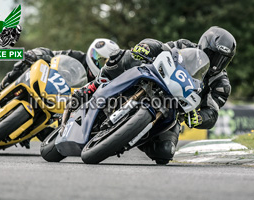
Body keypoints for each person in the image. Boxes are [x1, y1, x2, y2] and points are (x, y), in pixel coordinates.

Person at [72, 26, 236, 164]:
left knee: (164, 153)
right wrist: (146, 47)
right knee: (126, 57)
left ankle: (131, 135)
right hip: (151, 81)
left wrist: (200, 118)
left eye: (223, 59)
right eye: (214, 54)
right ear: (204, 45)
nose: (216, 62)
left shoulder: (221, 84)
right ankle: (95, 85)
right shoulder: (185, 46)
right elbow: (162, 47)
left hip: (173, 110)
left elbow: (212, 112)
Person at [0, 38, 120, 102]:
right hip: (46, 84)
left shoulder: (102, 82)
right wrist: (37, 54)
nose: (100, 63)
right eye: (99, 58)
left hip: (62, 105)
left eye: (105, 61)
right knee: (27, 61)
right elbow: (52, 53)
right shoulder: (77, 56)